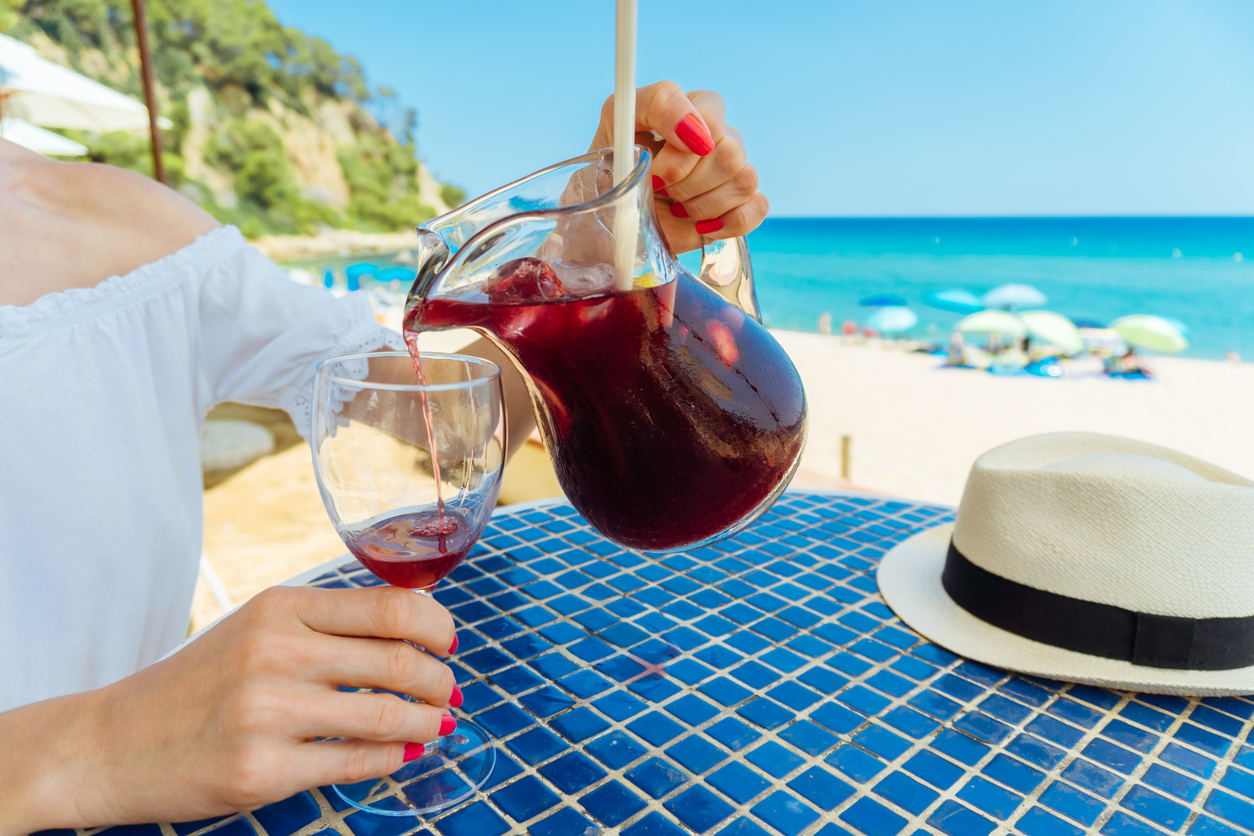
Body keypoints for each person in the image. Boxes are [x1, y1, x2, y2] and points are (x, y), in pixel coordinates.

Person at [0, 81, 768, 829]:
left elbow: (436, 413)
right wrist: (94, 746)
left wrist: (581, 259)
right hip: (159, 782)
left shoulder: (128, 223)